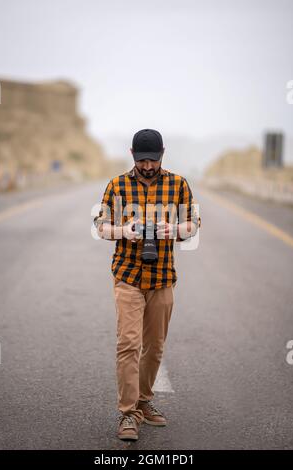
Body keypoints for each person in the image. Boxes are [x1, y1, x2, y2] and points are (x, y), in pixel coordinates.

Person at [94, 128, 200, 441]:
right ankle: (128, 414)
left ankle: (143, 401)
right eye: (142, 161)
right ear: (132, 155)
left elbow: (194, 224)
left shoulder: (178, 184)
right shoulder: (117, 185)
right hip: (127, 275)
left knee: (154, 348)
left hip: (163, 277)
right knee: (128, 343)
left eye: (153, 160)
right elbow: (100, 226)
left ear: (163, 154)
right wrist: (124, 231)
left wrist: (174, 229)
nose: (148, 166)